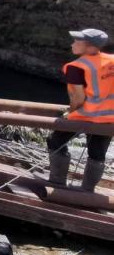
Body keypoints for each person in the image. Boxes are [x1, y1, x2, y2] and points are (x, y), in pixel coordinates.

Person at [47, 28, 113, 192]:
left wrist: (70, 113)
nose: (72, 44)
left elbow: (78, 98)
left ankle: (57, 182)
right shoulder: (112, 60)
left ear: (90, 47)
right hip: (110, 118)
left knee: (56, 142)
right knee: (97, 153)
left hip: (86, 115)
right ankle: (87, 190)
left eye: (77, 42)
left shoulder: (77, 67)